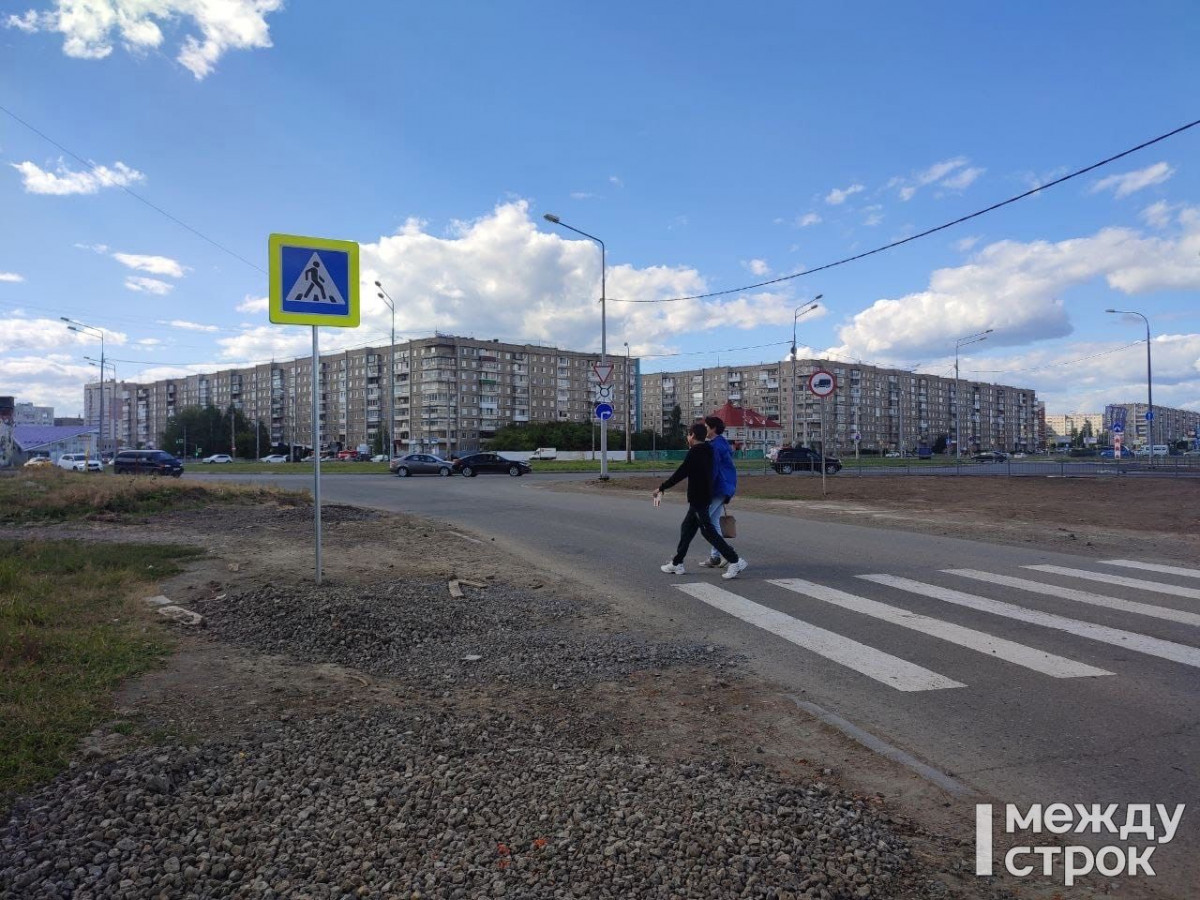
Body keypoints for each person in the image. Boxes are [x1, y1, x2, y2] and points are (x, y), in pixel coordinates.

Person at [653, 423, 747, 579]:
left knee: (708, 531)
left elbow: (681, 473)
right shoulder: (709, 451)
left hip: (699, 499)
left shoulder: (695, 452)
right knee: (687, 529)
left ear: (692, 435)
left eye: (688, 435)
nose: (687, 438)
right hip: (704, 497)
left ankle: (735, 560)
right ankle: (677, 564)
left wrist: (662, 487)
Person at [700, 415, 737, 569]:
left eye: (707, 427)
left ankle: (727, 552)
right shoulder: (721, 443)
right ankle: (715, 556)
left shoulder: (715, 446)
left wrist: (705, 488)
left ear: (713, 428)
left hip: (719, 487)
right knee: (713, 522)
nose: (705, 429)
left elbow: (713, 470)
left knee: (704, 520)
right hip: (725, 486)